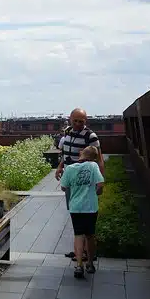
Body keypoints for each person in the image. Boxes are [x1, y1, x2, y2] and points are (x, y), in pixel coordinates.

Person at [55, 108, 104, 260]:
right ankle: (79, 249)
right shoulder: (68, 132)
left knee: (82, 214)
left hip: (83, 178)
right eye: (75, 120)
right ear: (70, 119)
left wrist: (101, 179)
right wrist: (60, 166)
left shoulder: (90, 136)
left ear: (85, 121)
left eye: (81, 121)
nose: (77, 124)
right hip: (70, 177)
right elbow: (66, 153)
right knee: (75, 213)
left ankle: (84, 252)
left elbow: (99, 157)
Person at [60, 146, 105, 278]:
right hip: (91, 207)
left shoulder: (70, 168)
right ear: (94, 157)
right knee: (90, 235)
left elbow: (64, 187)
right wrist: (96, 193)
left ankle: (79, 266)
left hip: (76, 207)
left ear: (81, 154)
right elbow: (100, 184)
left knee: (78, 235)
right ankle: (90, 264)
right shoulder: (93, 166)